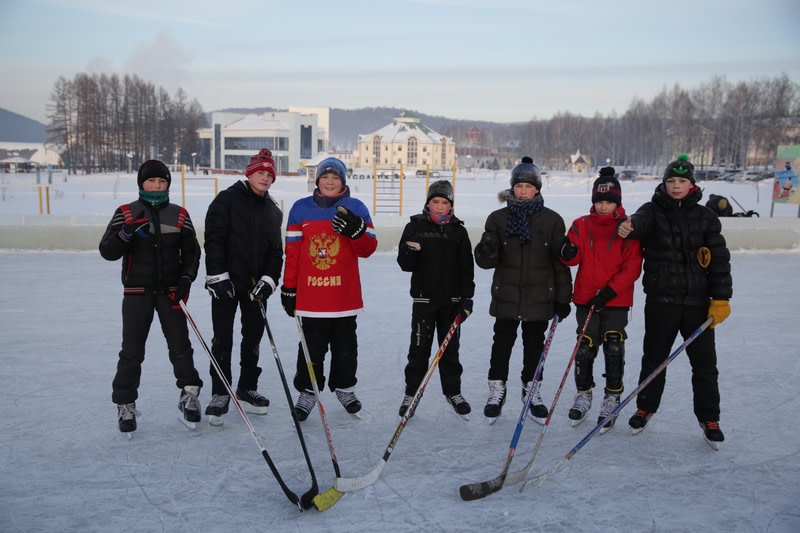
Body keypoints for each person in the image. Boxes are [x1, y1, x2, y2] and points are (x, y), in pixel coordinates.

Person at [617, 153, 732, 447]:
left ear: (691, 184)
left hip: (697, 303)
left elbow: (719, 260)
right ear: (664, 183)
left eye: (682, 181)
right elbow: (639, 223)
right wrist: (630, 227)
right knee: (654, 359)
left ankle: (709, 417)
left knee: (704, 364)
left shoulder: (706, 217)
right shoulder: (652, 210)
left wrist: (721, 298)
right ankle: (645, 407)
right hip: (661, 301)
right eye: (671, 181)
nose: (676, 186)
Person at [99, 159, 203, 432]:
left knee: (180, 347)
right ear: (141, 184)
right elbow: (107, 251)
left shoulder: (179, 214)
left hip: (170, 292)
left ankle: (189, 395)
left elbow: (192, 253)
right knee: (132, 351)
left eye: (162, 181)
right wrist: (125, 234)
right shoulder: (126, 213)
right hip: (137, 293)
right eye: (151, 181)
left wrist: (185, 280)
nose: (157, 186)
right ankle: (125, 404)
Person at [473, 156, 573, 423]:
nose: (523, 191)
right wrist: (486, 248)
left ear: (537, 189)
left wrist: (564, 298)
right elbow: (485, 262)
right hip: (507, 293)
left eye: (528, 187)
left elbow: (559, 262)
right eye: (519, 187)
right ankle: (497, 389)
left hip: (540, 297)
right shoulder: (498, 218)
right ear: (512, 188)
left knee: (534, 346)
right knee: (501, 344)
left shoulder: (552, 221)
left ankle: (532, 390)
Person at [281, 157, 378, 420]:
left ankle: (345, 389)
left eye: (336, 178)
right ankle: (308, 392)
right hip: (311, 297)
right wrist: (288, 288)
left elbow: (368, 249)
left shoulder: (355, 207)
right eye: (326, 177)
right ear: (318, 180)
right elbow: (293, 253)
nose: (330, 182)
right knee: (311, 348)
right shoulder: (300, 209)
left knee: (346, 346)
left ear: (343, 181)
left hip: (343, 297)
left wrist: (357, 232)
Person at [203, 148, 283, 425]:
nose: (265, 178)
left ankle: (247, 387)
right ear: (249, 173)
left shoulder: (273, 210)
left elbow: (276, 252)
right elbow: (213, 239)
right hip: (226, 282)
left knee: (253, 339)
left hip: (255, 287)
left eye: (269, 174)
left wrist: (269, 282)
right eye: (260, 172)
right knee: (222, 339)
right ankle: (220, 392)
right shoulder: (227, 200)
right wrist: (217, 276)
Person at [559, 167, 643, 432]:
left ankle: (612, 396)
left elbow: (633, 267)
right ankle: (584, 393)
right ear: (593, 201)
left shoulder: (627, 226)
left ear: (617, 202)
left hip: (616, 299)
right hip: (586, 297)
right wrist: (567, 251)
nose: (604, 207)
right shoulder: (582, 224)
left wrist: (609, 292)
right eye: (600, 201)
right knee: (585, 347)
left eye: (609, 202)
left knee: (614, 345)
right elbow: (572, 259)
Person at [396, 180, 475, 418]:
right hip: (423, 301)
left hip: (451, 302)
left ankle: (453, 392)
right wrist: (410, 252)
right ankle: (412, 393)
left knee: (450, 351)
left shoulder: (458, 231)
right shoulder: (415, 227)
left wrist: (467, 299)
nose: (439, 207)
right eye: (435, 202)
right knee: (418, 351)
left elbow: (466, 269)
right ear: (428, 203)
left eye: (444, 202)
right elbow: (404, 264)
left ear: (451, 205)